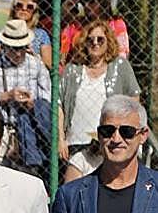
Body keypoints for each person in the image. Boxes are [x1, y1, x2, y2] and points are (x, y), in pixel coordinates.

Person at [0, 18, 51, 177]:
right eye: (13, 48)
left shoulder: (36, 65)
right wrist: (5, 96)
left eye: (22, 48)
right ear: (4, 46)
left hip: (29, 132)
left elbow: (47, 98)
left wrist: (31, 103)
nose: (18, 53)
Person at [59, 21, 139, 170]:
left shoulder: (120, 66)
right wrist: (60, 139)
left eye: (100, 39)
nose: (95, 43)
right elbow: (59, 105)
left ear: (108, 41)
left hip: (109, 142)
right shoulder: (72, 69)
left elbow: (134, 99)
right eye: (90, 40)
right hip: (75, 142)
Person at [60, 0, 128, 60]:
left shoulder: (116, 24)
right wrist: (65, 12)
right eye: (83, 3)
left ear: (103, 2)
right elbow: (63, 53)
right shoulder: (77, 25)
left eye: (91, 2)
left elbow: (122, 55)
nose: (86, 6)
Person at [0, 0, 52, 68]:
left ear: (34, 11)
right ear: (14, 8)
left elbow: (48, 65)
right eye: (19, 5)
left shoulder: (41, 34)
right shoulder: (1, 33)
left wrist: (34, 57)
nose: (24, 9)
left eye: (29, 7)